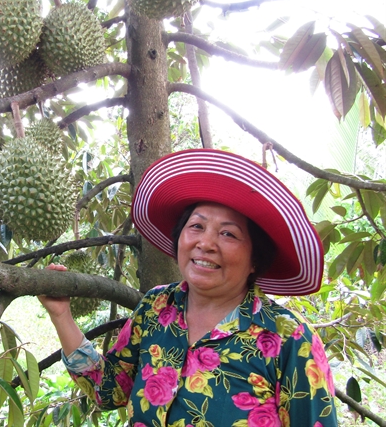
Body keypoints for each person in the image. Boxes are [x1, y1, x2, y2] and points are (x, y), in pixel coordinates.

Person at [39, 149, 338, 427]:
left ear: (255, 260)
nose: (205, 244)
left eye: (228, 234)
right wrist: (61, 315)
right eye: (196, 226)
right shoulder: (156, 307)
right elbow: (109, 390)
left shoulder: (290, 340)